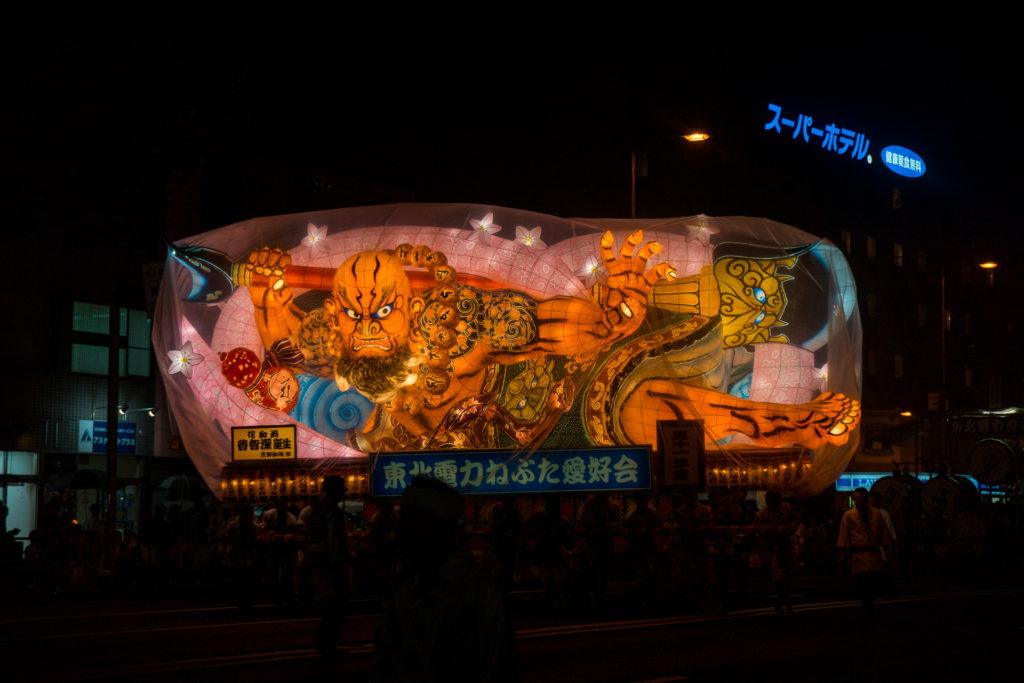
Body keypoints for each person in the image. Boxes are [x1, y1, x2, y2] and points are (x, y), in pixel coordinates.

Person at [372, 476, 516, 682]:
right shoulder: (405, 590)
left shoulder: (478, 592)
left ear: (440, 529)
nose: (401, 532)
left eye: (413, 523)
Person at [301, 476, 351, 656]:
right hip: (330, 563)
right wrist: (342, 562)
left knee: (330, 603)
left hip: (317, 560)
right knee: (337, 603)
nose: (345, 491)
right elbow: (335, 541)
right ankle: (327, 643)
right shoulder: (332, 511)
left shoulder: (315, 509)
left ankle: (325, 642)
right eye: (343, 488)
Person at [837, 487, 893, 620]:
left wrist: (888, 553)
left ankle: (869, 607)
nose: (857, 501)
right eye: (855, 498)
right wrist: (843, 556)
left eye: (860, 498)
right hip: (858, 555)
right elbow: (844, 536)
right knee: (862, 584)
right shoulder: (848, 515)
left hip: (873, 554)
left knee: (872, 584)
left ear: (866, 499)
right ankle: (867, 608)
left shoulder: (877, 514)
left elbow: (883, 535)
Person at [753, 490, 801, 615]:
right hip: (771, 547)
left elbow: (798, 518)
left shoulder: (786, 508)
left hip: (785, 545)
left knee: (786, 575)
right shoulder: (762, 515)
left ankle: (782, 602)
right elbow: (756, 531)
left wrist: (792, 528)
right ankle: (783, 602)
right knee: (779, 577)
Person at [623, 494, 660, 606]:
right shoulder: (633, 514)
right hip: (639, 547)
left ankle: (649, 596)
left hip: (647, 546)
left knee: (649, 572)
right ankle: (646, 595)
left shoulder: (650, 513)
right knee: (642, 572)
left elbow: (660, 526)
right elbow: (626, 529)